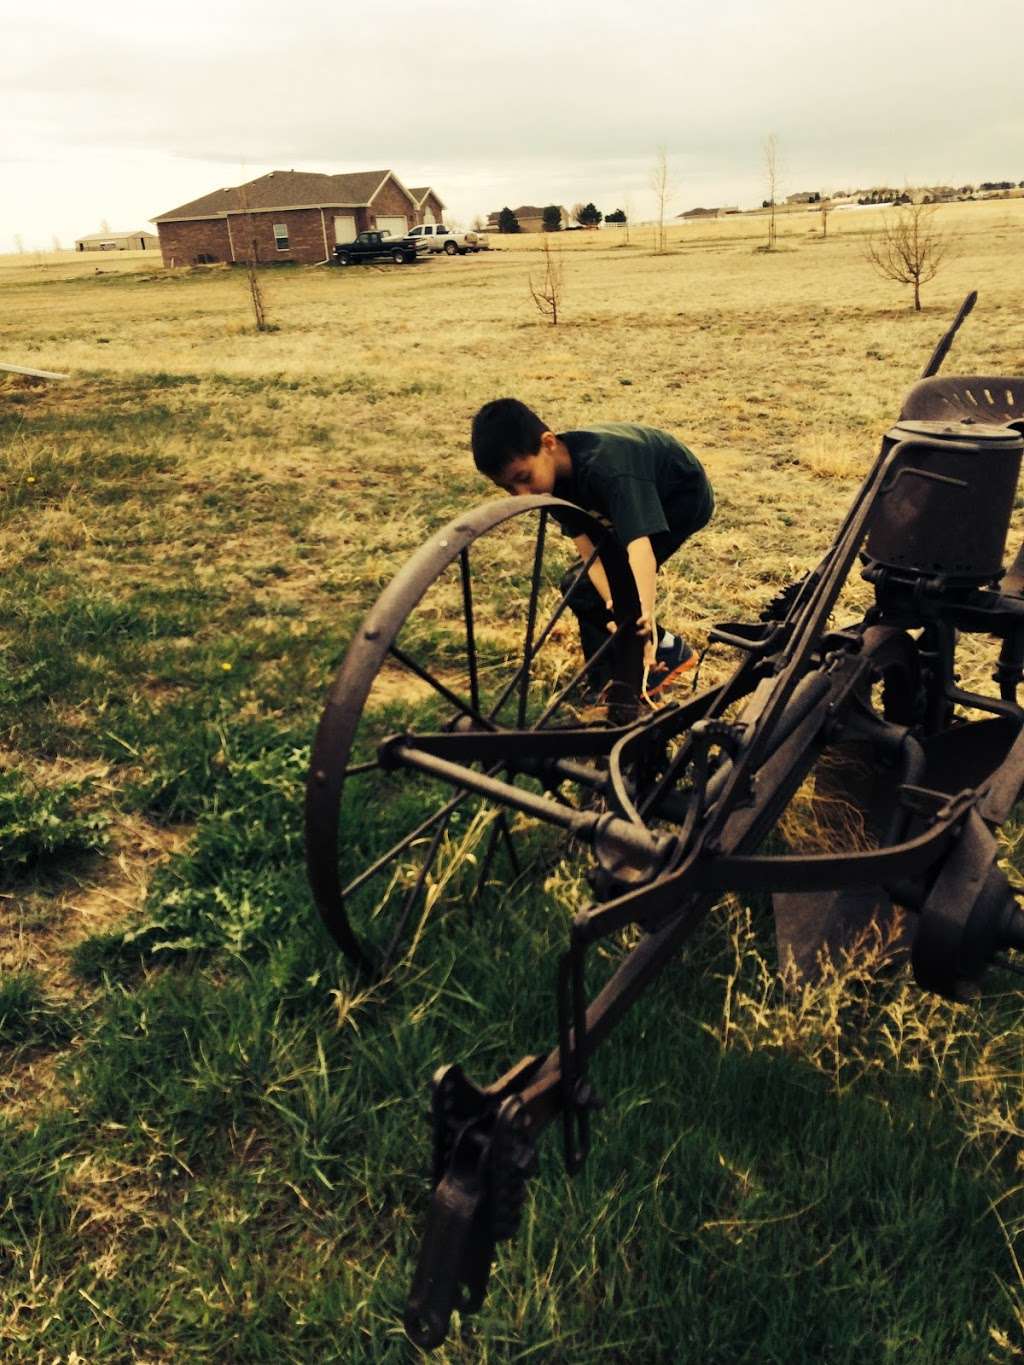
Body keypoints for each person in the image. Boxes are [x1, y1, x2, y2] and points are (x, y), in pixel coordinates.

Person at [471, 398, 714, 700]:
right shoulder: (551, 483)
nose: (522, 495)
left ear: (548, 444)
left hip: (679, 497)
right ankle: (614, 678)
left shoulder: (607, 468)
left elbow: (640, 551)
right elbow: (591, 555)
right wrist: (613, 602)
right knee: (584, 587)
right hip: (625, 499)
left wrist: (645, 617)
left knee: (603, 585)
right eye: (509, 489)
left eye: (523, 478)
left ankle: (655, 657)